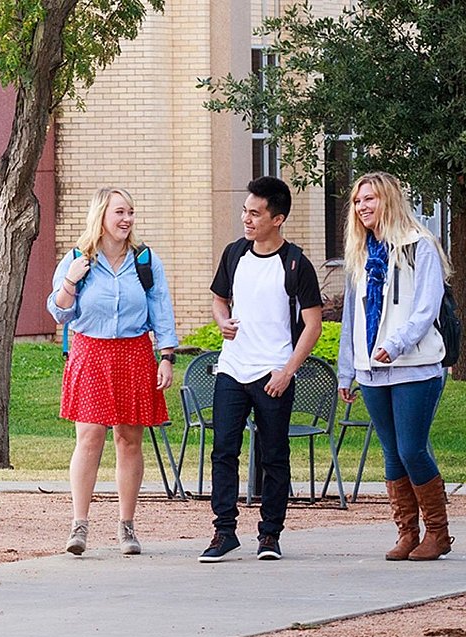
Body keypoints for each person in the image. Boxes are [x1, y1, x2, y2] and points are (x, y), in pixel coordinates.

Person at [46, 187, 177, 556]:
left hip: (134, 352)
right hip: (90, 350)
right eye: (120, 212)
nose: (127, 219)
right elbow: (59, 312)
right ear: (101, 215)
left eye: (131, 212)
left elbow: (160, 308)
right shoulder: (78, 258)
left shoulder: (145, 260)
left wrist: (166, 356)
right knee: (89, 438)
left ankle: (126, 525)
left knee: (128, 440)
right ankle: (79, 525)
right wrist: (70, 280)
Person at [200, 176, 325, 563]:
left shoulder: (296, 264)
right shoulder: (234, 253)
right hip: (232, 369)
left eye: (255, 213)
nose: (247, 219)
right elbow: (220, 300)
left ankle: (270, 535)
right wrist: (222, 321)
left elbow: (314, 324)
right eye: (245, 211)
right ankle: (224, 531)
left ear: (278, 218)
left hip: (273, 373)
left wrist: (287, 371)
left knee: (273, 454)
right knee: (223, 451)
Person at [336, 171, 454, 562]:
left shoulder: (419, 246)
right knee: (390, 453)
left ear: (389, 201)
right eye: (357, 201)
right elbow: (352, 315)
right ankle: (407, 533)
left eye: (369, 199)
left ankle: (438, 533)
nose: (362, 207)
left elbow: (425, 308)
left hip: (414, 365)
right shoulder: (360, 251)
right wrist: (347, 369)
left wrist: (395, 343)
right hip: (371, 370)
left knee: (412, 449)